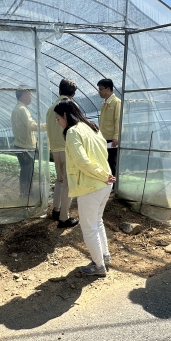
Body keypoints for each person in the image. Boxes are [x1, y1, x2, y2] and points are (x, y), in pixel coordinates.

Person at [54, 99, 115, 277]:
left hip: (91, 185)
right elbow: (103, 152)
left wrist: (101, 175)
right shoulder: (92, 127)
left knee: (89, 228)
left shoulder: (73, 131)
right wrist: (105, 175)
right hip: (104, 183)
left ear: (65, 114)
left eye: (58, 118)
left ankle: (98, 266)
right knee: (97, 222)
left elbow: (81, 160)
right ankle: (104, 257)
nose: (58, 122)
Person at [46, 78, 79, 229]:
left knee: (59, 181)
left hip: (55, 150)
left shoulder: (50, 109)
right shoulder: (71, 105)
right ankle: (64, 218)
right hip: (67, 149)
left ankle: (56, 209)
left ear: (59, 90)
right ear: (73, 94)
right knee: (68, 184)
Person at [11, 88, 42, 201]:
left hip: (21, 145)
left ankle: (25, 195)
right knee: (27, 174)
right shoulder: (22, 109)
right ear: (23, 95)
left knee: (25, 173)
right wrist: (46, 126)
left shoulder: (17, 109)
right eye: (29, 95)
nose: (31, 97)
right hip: (26, 147)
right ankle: (27, 197)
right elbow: (31, 125)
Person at [98, 78, 122, 178]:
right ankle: (109, 183)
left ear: (108, 89)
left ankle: (115, 184)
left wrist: (116, 136)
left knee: (112, 162)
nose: (99, 92)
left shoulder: (117, 102)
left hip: (112, 139)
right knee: (106, 162)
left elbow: (118, 120)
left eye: (101, 89)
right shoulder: (105, 103)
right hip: (104, 138)